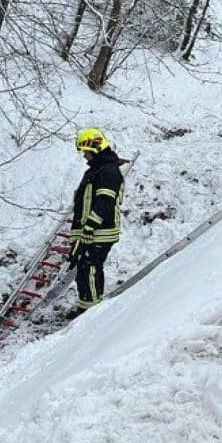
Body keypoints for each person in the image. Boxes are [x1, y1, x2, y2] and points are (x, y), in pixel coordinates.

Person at [67, 128, 125, 317]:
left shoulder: (108, 171)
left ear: (95, 148)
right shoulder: (97, 170)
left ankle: (91, 314)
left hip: (100, 232)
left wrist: (90, 226)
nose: (85, 156)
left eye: (86, 151)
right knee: (84, 269)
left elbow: (104, 203)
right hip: (91, 231)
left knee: (90, 268)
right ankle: (85, 308)